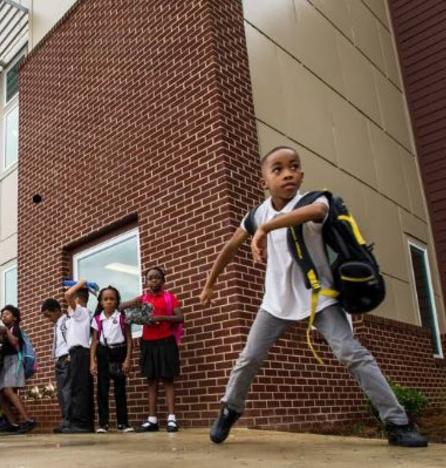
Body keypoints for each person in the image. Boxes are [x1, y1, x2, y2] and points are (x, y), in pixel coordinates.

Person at [199, 146, 428, 448]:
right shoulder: (256, 214)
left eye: (294, 167)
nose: (287, 173)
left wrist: (267, 228)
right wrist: (210, 283)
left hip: (320, 299)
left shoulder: (313, 200)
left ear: (302, 173)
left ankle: (397, 422)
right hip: (275, 304)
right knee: (249, 358)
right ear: (263, 181)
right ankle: (230, 408)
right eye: (277, 169)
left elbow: (317, 213)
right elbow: (229, 247)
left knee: (353, 354)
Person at [123, 268, 183, 433]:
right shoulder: (143, 299)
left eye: (157, 278)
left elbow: (180, 318)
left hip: (166, 342)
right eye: (150, 278)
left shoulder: (169, 298)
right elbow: (121, 308)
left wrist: (161, 318)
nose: (154, 281)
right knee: (151, 380)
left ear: (163, 281)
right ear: (146, 282)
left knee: (168, 379)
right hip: (148, 343)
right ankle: (152, 420)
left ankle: (172, 419)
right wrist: (133, 303)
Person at [90, 286, 133, 433]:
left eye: (112, 299)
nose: (109, 302)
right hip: (103, 353)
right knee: (102, 389)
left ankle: (123, 423)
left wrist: (127, 359)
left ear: (117, 301)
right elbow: (94, 341)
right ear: (101, 302)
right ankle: (103, 424)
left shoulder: (122, 317)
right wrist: (92, 361)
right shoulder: (97, 319)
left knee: (120, 389)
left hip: (119, 352)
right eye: (105, 299)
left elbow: (129, 338)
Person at [59, 280, 95, 434]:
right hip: (76, 353)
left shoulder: (81, 311)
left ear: (78, 299)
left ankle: (82, 424)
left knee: (80, 389)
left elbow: (67, 294)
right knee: (76, 387)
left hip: (80, 353)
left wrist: (82, 282)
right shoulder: (78, 316)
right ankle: (77, 421)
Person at [0, 305, 37, 434]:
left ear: (15, 318)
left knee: (8, 390)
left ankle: (28, 420)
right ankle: (13, 423)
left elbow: (15, 343)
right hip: (5, 363)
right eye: (2, 315)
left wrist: (6, 333)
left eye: (7, 314)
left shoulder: (15, 328)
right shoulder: (6, 331)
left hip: (15, 360)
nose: (3, 316)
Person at [42, 298, 70, 432]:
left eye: (49, 315)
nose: (48, 318)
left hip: (66, 358)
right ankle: (65, 420)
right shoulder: (57, 324)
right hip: (59, 359)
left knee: (66, 391)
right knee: (61, 392)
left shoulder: (65, 321)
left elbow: (71, 338)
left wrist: (70, 355)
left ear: (57, 310)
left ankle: (68, 421)